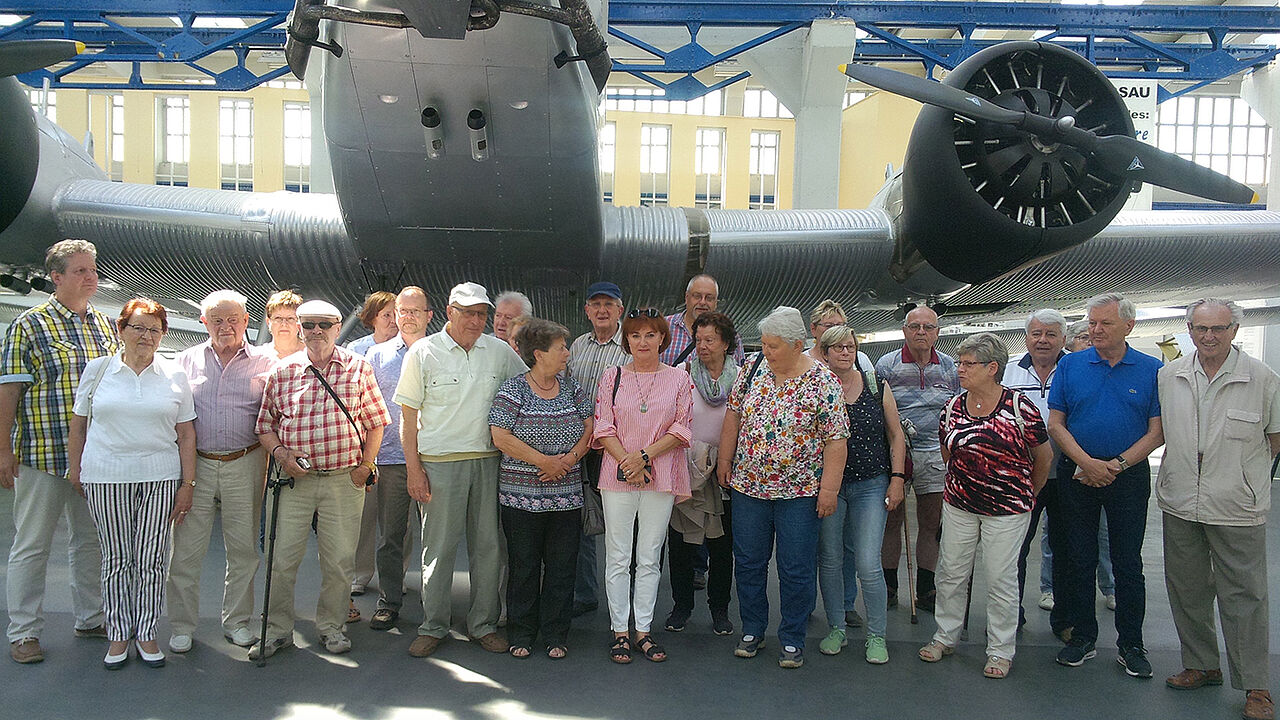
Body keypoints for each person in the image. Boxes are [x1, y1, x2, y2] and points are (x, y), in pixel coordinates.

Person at [1157, 299, 1280, 720]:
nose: (1209, 336)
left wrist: (1247, 480)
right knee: (1186, 589)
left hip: (1236, 506)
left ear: (1234, 330)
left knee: (1245, 597)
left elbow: (1275, 438)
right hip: (1180, 503)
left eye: (1219, 328)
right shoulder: (1169, 375)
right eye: (1200, 328)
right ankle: (1201, 664)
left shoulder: (1261, 378)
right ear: (1189, 328)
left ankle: (1255, 686)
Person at [252, 300, 390, 659]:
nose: (316, 331)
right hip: (293, 482)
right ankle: (277, 630)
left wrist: (365, 466)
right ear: (299, 327)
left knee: (339, 560)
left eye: (324, 325)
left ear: (337, 326)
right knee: (281, 558)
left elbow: (376, 421)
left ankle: (332, 626)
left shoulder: (358, 368)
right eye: (309, 324)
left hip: (343, 479)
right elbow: (264, 426)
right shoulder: (282, 372)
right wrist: (282, 455)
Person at [3, 239, 119, 665]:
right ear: (56, 277)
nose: (91, 278)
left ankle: (90, 618)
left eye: (93, 270)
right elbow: (9, 390)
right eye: (81, 271)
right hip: (42, 457)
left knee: (89, 542)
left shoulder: (106, 326)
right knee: (31, 546)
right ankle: (24, 632)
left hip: (93, 460)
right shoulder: (29, 326)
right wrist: (2, 451)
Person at [396, 282, 527, 659]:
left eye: (481, 314)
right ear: (450, 311)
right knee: (437, 550)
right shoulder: (423, 352)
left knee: (488, 548)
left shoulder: (499, 352)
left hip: (489, 462)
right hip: (438, 465)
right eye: (468, 312)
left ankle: (483, 624)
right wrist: (413, 470)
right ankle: (432, 625)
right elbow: (407, 417)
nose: (475, 320)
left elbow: (528, 388)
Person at [68, 298, 197, 669]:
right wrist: (77, 470)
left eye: (154, 329)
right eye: (138, 327)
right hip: (106, 475)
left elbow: (186, 434)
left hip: (160, 476)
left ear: (163, 335)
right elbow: (79, 425)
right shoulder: (98, 370)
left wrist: (187, 484)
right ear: (121, 330)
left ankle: (147, 632)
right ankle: (118, 634)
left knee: (153, 559)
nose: (146, 336)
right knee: (117, 558)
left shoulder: (175, 375)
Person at [718, 306, 849, 669]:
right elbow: (734, 414)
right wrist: (725, 461)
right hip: (749, 487)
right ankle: (753, 629)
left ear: (797, 344)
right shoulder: (753, 369)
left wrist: (829, 490)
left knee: (795, 567)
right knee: (748, 562)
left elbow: (836, 441)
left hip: (801, 493)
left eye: (773, 345)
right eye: (763, 343)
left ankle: (792, 638)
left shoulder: (824, 382)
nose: (766, 351)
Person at [918, 333, 1051, 679]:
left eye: (968, 364)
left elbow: (1043, 456)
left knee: (1000, 579)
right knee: (950, 573)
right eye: (959, 363)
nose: (959, 369)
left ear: (993, 368)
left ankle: (1000, 650)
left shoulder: (1020, 407)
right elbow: (949, 451)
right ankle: (945, 635)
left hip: (1008, 509)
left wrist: (1026, 495)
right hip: (960, 504)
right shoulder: (953, 406)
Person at [1049, 292, 1163, 677]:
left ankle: (1131, 644)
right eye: (1092, 322)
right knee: (1078, 559)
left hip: (1127, 476)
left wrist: (1114, 465)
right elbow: (1056, 423)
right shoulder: (1071, 366)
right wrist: (1086, 463)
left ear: (1129, 326)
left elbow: (1156, 431)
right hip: (1077, 474)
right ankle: (1082, 637)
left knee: (1128, 563)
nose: (1095, 330)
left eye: (1105, 324)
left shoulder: (1150, 369)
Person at [167, 290, 276, 654]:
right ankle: (182, 626)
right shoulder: (183, 361)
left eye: (233, 319)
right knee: (186, 550)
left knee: (243, 549)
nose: (226, 326)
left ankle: (238, 622)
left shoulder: (268, 361)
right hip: (196, 464)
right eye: (217, 319)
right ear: (204, 322)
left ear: (247, 322)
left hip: (245, 462)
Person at [489, 318, 593, 659]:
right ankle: (521, 632)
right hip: (520, 499)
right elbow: (501, 436)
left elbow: (589, 428)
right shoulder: (512, 390)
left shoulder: (573, 389)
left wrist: (568, 460)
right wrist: (543, 462)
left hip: (566, 498)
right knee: (524, 566)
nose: (566, 353)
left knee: (562, 567)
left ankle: (556, 634)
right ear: (539, 354)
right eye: (560, 347)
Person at [593, 308, 692, 664]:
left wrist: (643, 458)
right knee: (618, 555)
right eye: (636, 335)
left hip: (660, 475)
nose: (643, 341)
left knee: (649, 556)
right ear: (627, 340)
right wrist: (628, 462)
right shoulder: (612, 376)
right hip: (618, 475)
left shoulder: (680, 378)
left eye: (650, 335)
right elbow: (603, 425)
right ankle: (620, 630)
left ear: (663, 338)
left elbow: (682, 428)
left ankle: (643, 630)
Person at [1006, 310, 1113, 632]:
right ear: (1026, 338)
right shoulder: (1009, 374)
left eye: (1051, 334)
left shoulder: (1078, 371)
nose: (1043, 340)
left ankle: (1066, 621)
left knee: (1069, 549)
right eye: (1036, 333)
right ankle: (1010, 618)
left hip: (1069, 474)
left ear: (1063, 339)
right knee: (1014, 551)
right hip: (1021, 477)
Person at [815, 325, 906, 663]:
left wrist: (896, 479)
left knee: (868, 562)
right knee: (831, 559)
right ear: (824, 352)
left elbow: (896, 435)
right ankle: (836, 627)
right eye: (837, 347)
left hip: (871, 483)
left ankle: (877, 635)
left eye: (849, 346)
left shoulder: (874, 385)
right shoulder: (817, 390)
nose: (844, 351)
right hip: (830, 487)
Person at [876, 305, 959, 612]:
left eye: (928, 327)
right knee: (892, 521)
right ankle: (889, 587)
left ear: (937, 332)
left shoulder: (949, 366)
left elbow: (957, 408)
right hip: (899, 456)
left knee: (930, 522)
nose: (921, 332)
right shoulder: (887, 364)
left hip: (937, 455)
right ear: (904, 331)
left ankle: (926, 588)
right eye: (915, 327)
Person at [665, 311, 738, 636]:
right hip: (687, 468)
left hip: (725, 473)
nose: (703, 346)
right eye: (699, 340)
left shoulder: (742, 379)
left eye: (710, 340)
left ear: (726, 344)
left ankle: (719, 610)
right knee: (680, 542)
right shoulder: (682, 374)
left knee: (722, 545)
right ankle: (682, 607)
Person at [366, 287, 433, 632]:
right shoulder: (376, 356)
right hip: (390, 460)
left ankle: (433, 607)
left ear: (429, 316)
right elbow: (363, 408)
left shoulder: (440, 353)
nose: (407, 317)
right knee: (391, 536)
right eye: (401, 311)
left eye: (414, 311)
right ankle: (388, 602)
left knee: (433, 538)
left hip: (434, 459)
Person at [566, 281, 629, 618]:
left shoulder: (630, 347)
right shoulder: (577, 346)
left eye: (609, 304)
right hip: (582, 448)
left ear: (620, 309)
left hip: (617, 449)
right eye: (596, 304)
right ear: (587, 310)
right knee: (583, 520)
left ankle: (628, 598)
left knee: (623, 524)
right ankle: (586, 592)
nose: (602, 310)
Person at [659, 274, 745, 366]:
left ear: (716, 302)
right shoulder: (663, 327)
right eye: (697, 296)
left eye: (709, 298)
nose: (703, 302)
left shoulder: (730, 336)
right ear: (686, 297)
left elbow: (739, 374)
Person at [347, 291, 398, 357]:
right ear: (372, 318)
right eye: (387, 315)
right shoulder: (356, 349)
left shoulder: (409, 347)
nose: (393, 320)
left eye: (396, 314)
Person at [263, 290, 304, 360]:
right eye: (278, 318)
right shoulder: (257, 356)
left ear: (300, 323)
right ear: (268, 322)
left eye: (290, 318)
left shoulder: (313, 355)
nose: (284, 324)